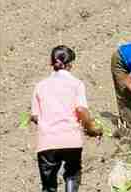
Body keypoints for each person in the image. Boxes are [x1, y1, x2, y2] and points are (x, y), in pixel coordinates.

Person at [31, 45, 102, 192]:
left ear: (52, 63)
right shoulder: (76, 83)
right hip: (71, 139)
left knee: (49, 186)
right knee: (72, 174)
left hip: (47, 142)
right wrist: (90, 126)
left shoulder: (40, 86)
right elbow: (81, 109)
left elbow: (35, 116)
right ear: (70, 64)